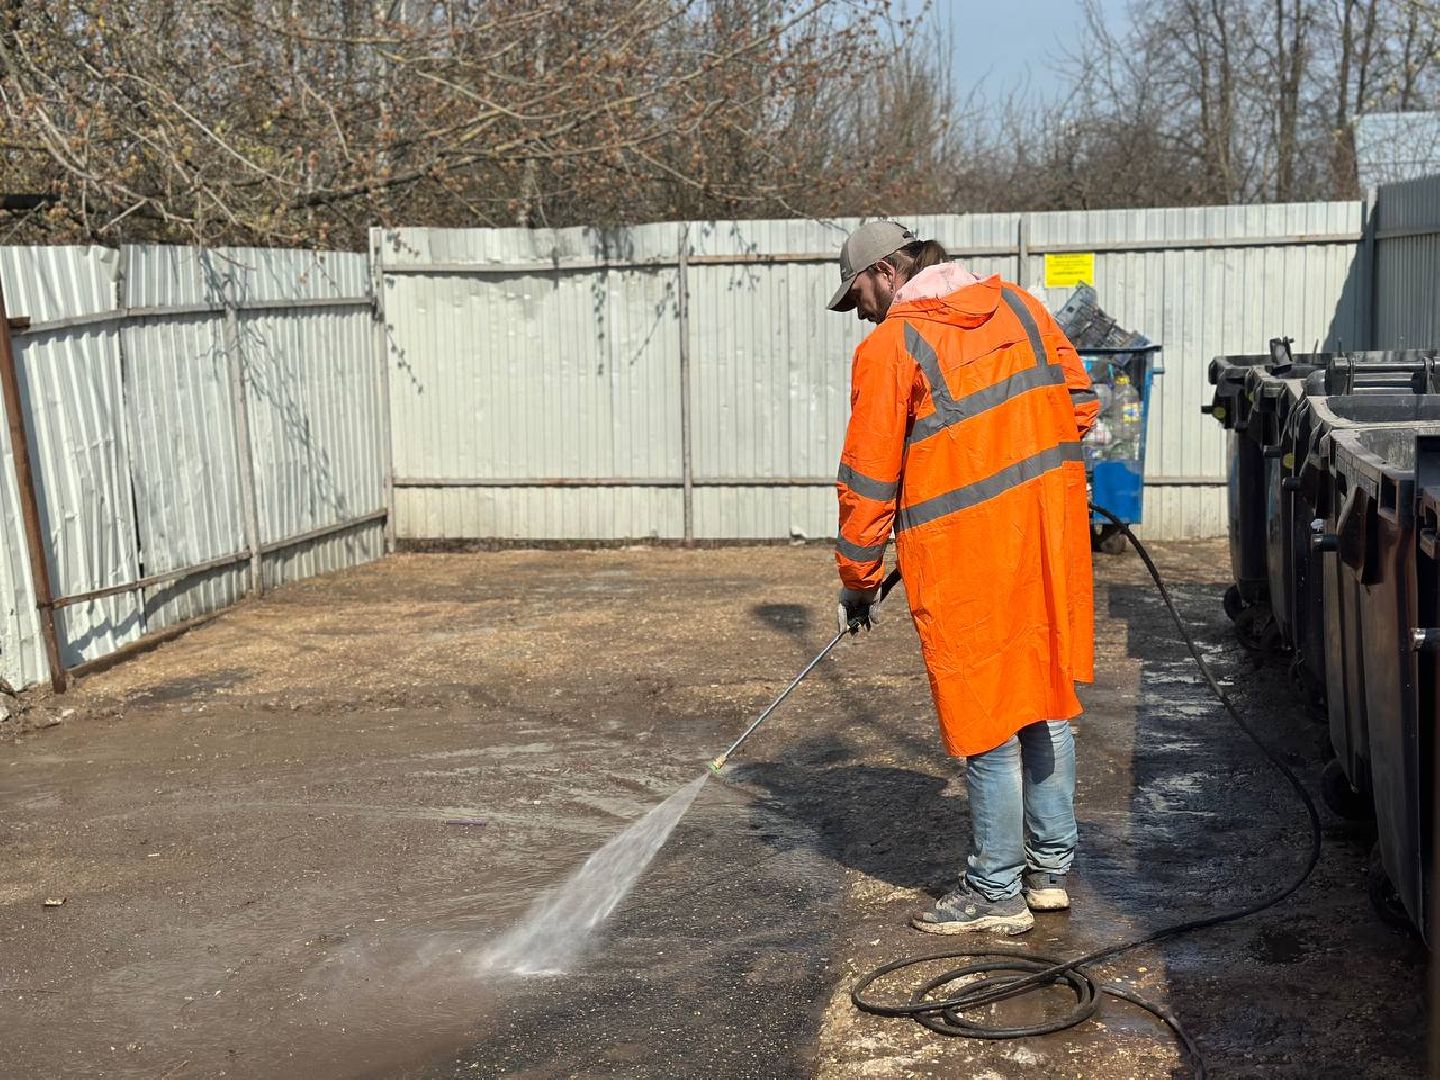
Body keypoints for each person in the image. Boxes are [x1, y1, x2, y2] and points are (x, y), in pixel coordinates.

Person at [827, 220, 1100, 935]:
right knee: (1044, 700)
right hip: (1046, 536)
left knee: (987, 718)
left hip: (966, 555)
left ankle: (995, 893)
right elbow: (1079, 402)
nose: (858, 309)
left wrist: (858, 579)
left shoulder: (892, 347)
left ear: (886, 271)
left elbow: (868, 476)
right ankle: (1049, 873)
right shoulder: (1020, 307)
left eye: (856, 291)